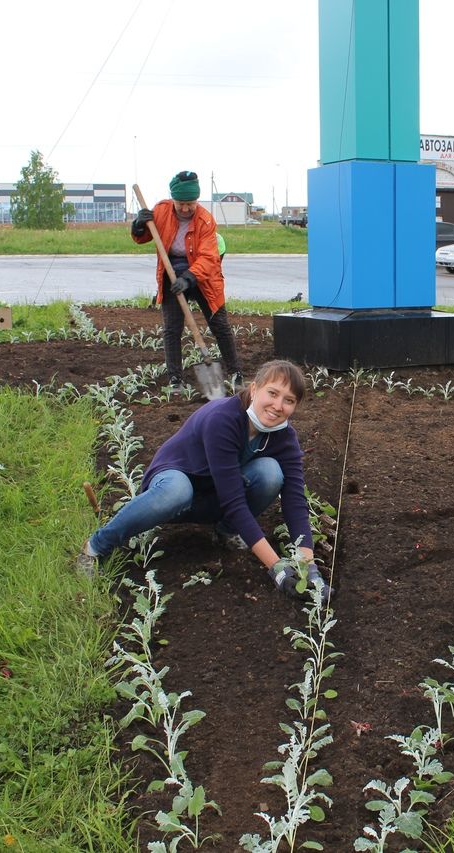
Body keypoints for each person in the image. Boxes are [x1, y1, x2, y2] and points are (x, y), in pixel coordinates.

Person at [76, 359, 330, 600]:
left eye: (289, 400)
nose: (278, 406)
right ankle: (96, 546)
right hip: (171, 493)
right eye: (272, 393)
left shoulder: (283, 437)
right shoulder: (223, 419)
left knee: (271, 473)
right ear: (254, 389)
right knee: (177, 490)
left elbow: (295, 499)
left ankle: (226, 531)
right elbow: (234, 501)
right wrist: (276, 568)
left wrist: (308, 567)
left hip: (213, 496)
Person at [132, 170, 242, 387]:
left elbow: (209, 258)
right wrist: (138, 224)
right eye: (180, 203)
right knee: (172, 328)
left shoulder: (205, 220)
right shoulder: (161, 210)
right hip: (171, 273)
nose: (185, 208)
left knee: (219, 324)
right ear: (173, 199)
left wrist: (189, 278)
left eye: (190, 203)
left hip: (203, 277)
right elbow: (144, 236)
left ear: (196, 200)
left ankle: (236, 372)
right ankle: (175, 378)